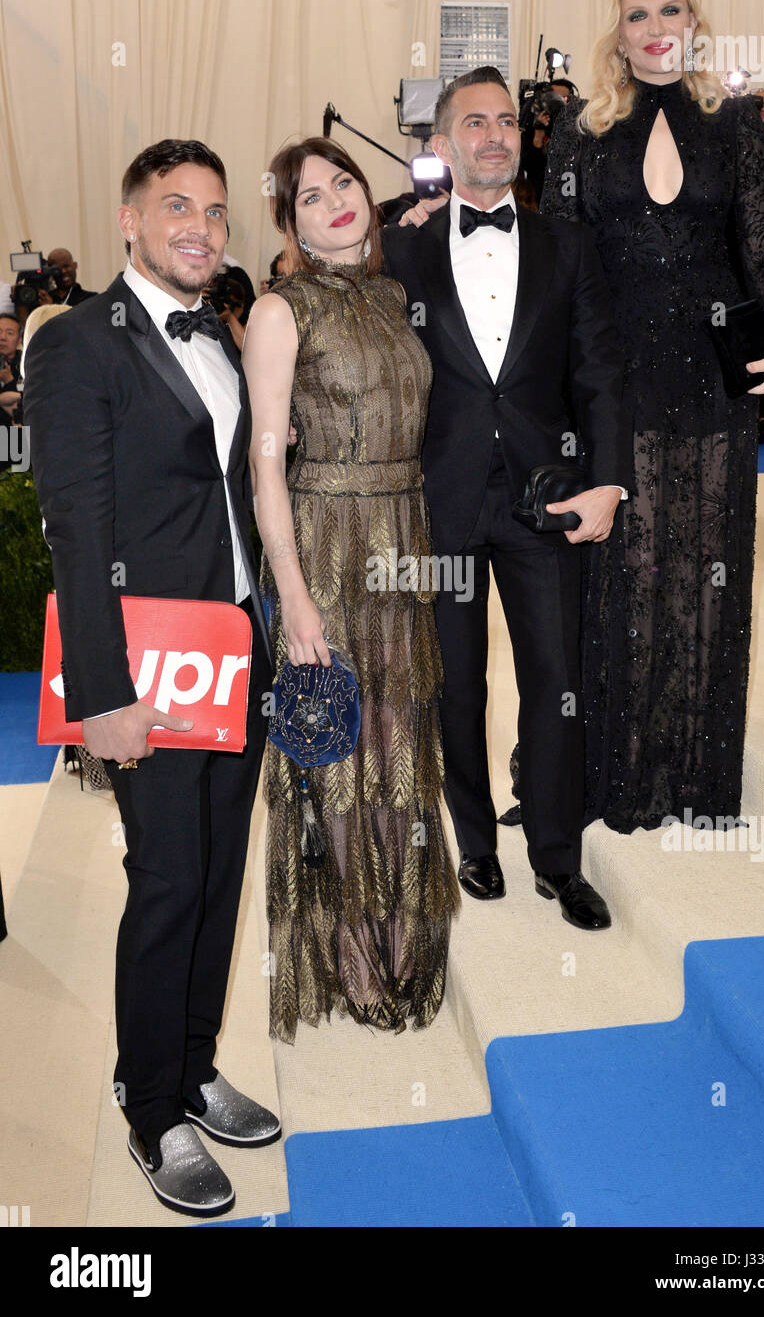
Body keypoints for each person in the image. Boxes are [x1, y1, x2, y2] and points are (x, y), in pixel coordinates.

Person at [25, 139, 279, 1218]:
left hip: (234, 648)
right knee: (168, 877)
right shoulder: (80, 342)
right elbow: (77, 528)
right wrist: (102, 697)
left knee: (220, 872)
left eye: (216, 212)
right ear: (128, 220)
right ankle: (147, 1108)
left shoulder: (222, 329)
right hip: (147, 665)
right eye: (177, 207)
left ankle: (192, 1062)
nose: (201, 228)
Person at [541, 0, 764, 834]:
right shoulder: (581, 135)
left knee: (706, 565)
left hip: (710, 371)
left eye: (670, 9)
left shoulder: (732, 125)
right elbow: (556, 267)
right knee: (630, 565)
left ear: (695, 21)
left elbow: (762, 246)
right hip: (617, 378)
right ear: (616, 34)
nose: (655, 26)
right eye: (636, 15)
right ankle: (622, 765)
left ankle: (696, 765)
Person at [383, 67, 632, 927]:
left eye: (504, 122)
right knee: (456, 688)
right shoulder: (400, 247)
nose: (493, 135)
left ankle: (559, 858)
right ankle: (477, 842)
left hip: (548, 495)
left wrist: (607, 479)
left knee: (556, 680)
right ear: (443, 145)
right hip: (440, 502)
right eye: (473, 123)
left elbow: (599, 369)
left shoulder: (568, 242)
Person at [243, 136, 459, 1043]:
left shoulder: (391, 294)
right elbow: (262, 461)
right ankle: (354, 956)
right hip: (323, 547)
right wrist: (292, 594)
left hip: (401, 543)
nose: (334, 202)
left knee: (401, 744)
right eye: (309, 198)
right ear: (288, 224)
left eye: (345, 184)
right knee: (335, 751)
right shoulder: (279, 310)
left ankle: (406, 940)